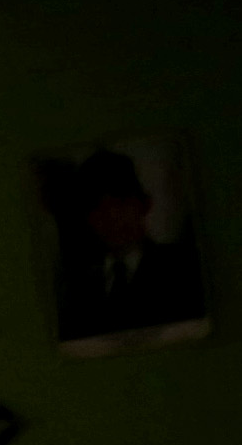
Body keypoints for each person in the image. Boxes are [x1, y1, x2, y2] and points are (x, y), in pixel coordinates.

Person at [48, 147, 207, 345]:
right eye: (97, 207)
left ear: (144, 205)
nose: (111, 217)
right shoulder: (76, 285)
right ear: (87, 218)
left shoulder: (183, 266)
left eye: (121, 203)